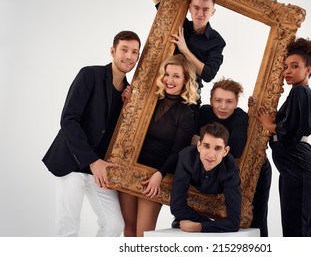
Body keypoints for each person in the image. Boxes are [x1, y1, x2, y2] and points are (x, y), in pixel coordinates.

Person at [42, 30, 141, 236]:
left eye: (134, 52)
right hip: (71, 161)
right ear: (113, 51)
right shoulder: (90, 75)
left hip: (100, 170)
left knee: (114, 224)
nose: (129, 56)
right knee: (68, 227)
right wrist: (93, 161)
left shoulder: (130, 95)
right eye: (124, 49)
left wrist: (127, 108)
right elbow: (68, 120)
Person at [118, 54, 199, 237]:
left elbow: (178, 151)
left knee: (143, 234)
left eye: (176, 76)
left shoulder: (186, 113)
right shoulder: (149, 101)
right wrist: (128, 103)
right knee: (128, 230)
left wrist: (159, 175)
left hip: (156, 176)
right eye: (167, 74)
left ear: (185, 79)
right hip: (130, 170)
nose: (169, 80)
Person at [255, 37, 311, 237]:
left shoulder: (301, 91)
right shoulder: (297, 93)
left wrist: (269, 125)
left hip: (299, 167)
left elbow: (293, 130)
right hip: (293, 168)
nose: (288, 71)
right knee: (296, 225)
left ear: (308, 69)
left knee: (296, 228)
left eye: (295, 66)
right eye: (285, 67)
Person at [195, 78, 272, 236]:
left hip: (255, 168)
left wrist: (204, 144)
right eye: (218, 100)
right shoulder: (204, 112)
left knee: (256, 218)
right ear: (211, 100)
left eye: (229, 101)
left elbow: (236, 150)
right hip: (220, 171)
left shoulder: (240, 117)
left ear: (237, 102)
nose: (223, 106)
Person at [152, 0, 226, 105]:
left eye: (206, 9)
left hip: (190, 96)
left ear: (213, 12)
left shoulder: (217, 41)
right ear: (190, 8)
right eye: (196, 8)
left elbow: (208, 75)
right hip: (165, 87)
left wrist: (185, 49)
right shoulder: (179, 23)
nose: (200, 13)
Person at [170, 122, 241, 232]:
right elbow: (176, 207)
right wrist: (213, 224)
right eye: (206, 146)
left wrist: (199, 226)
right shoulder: (186, 157)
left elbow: (234, 223)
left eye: (217, 148)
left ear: (225, 151)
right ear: (198, 146)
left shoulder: (230, 169)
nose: (211, 155)